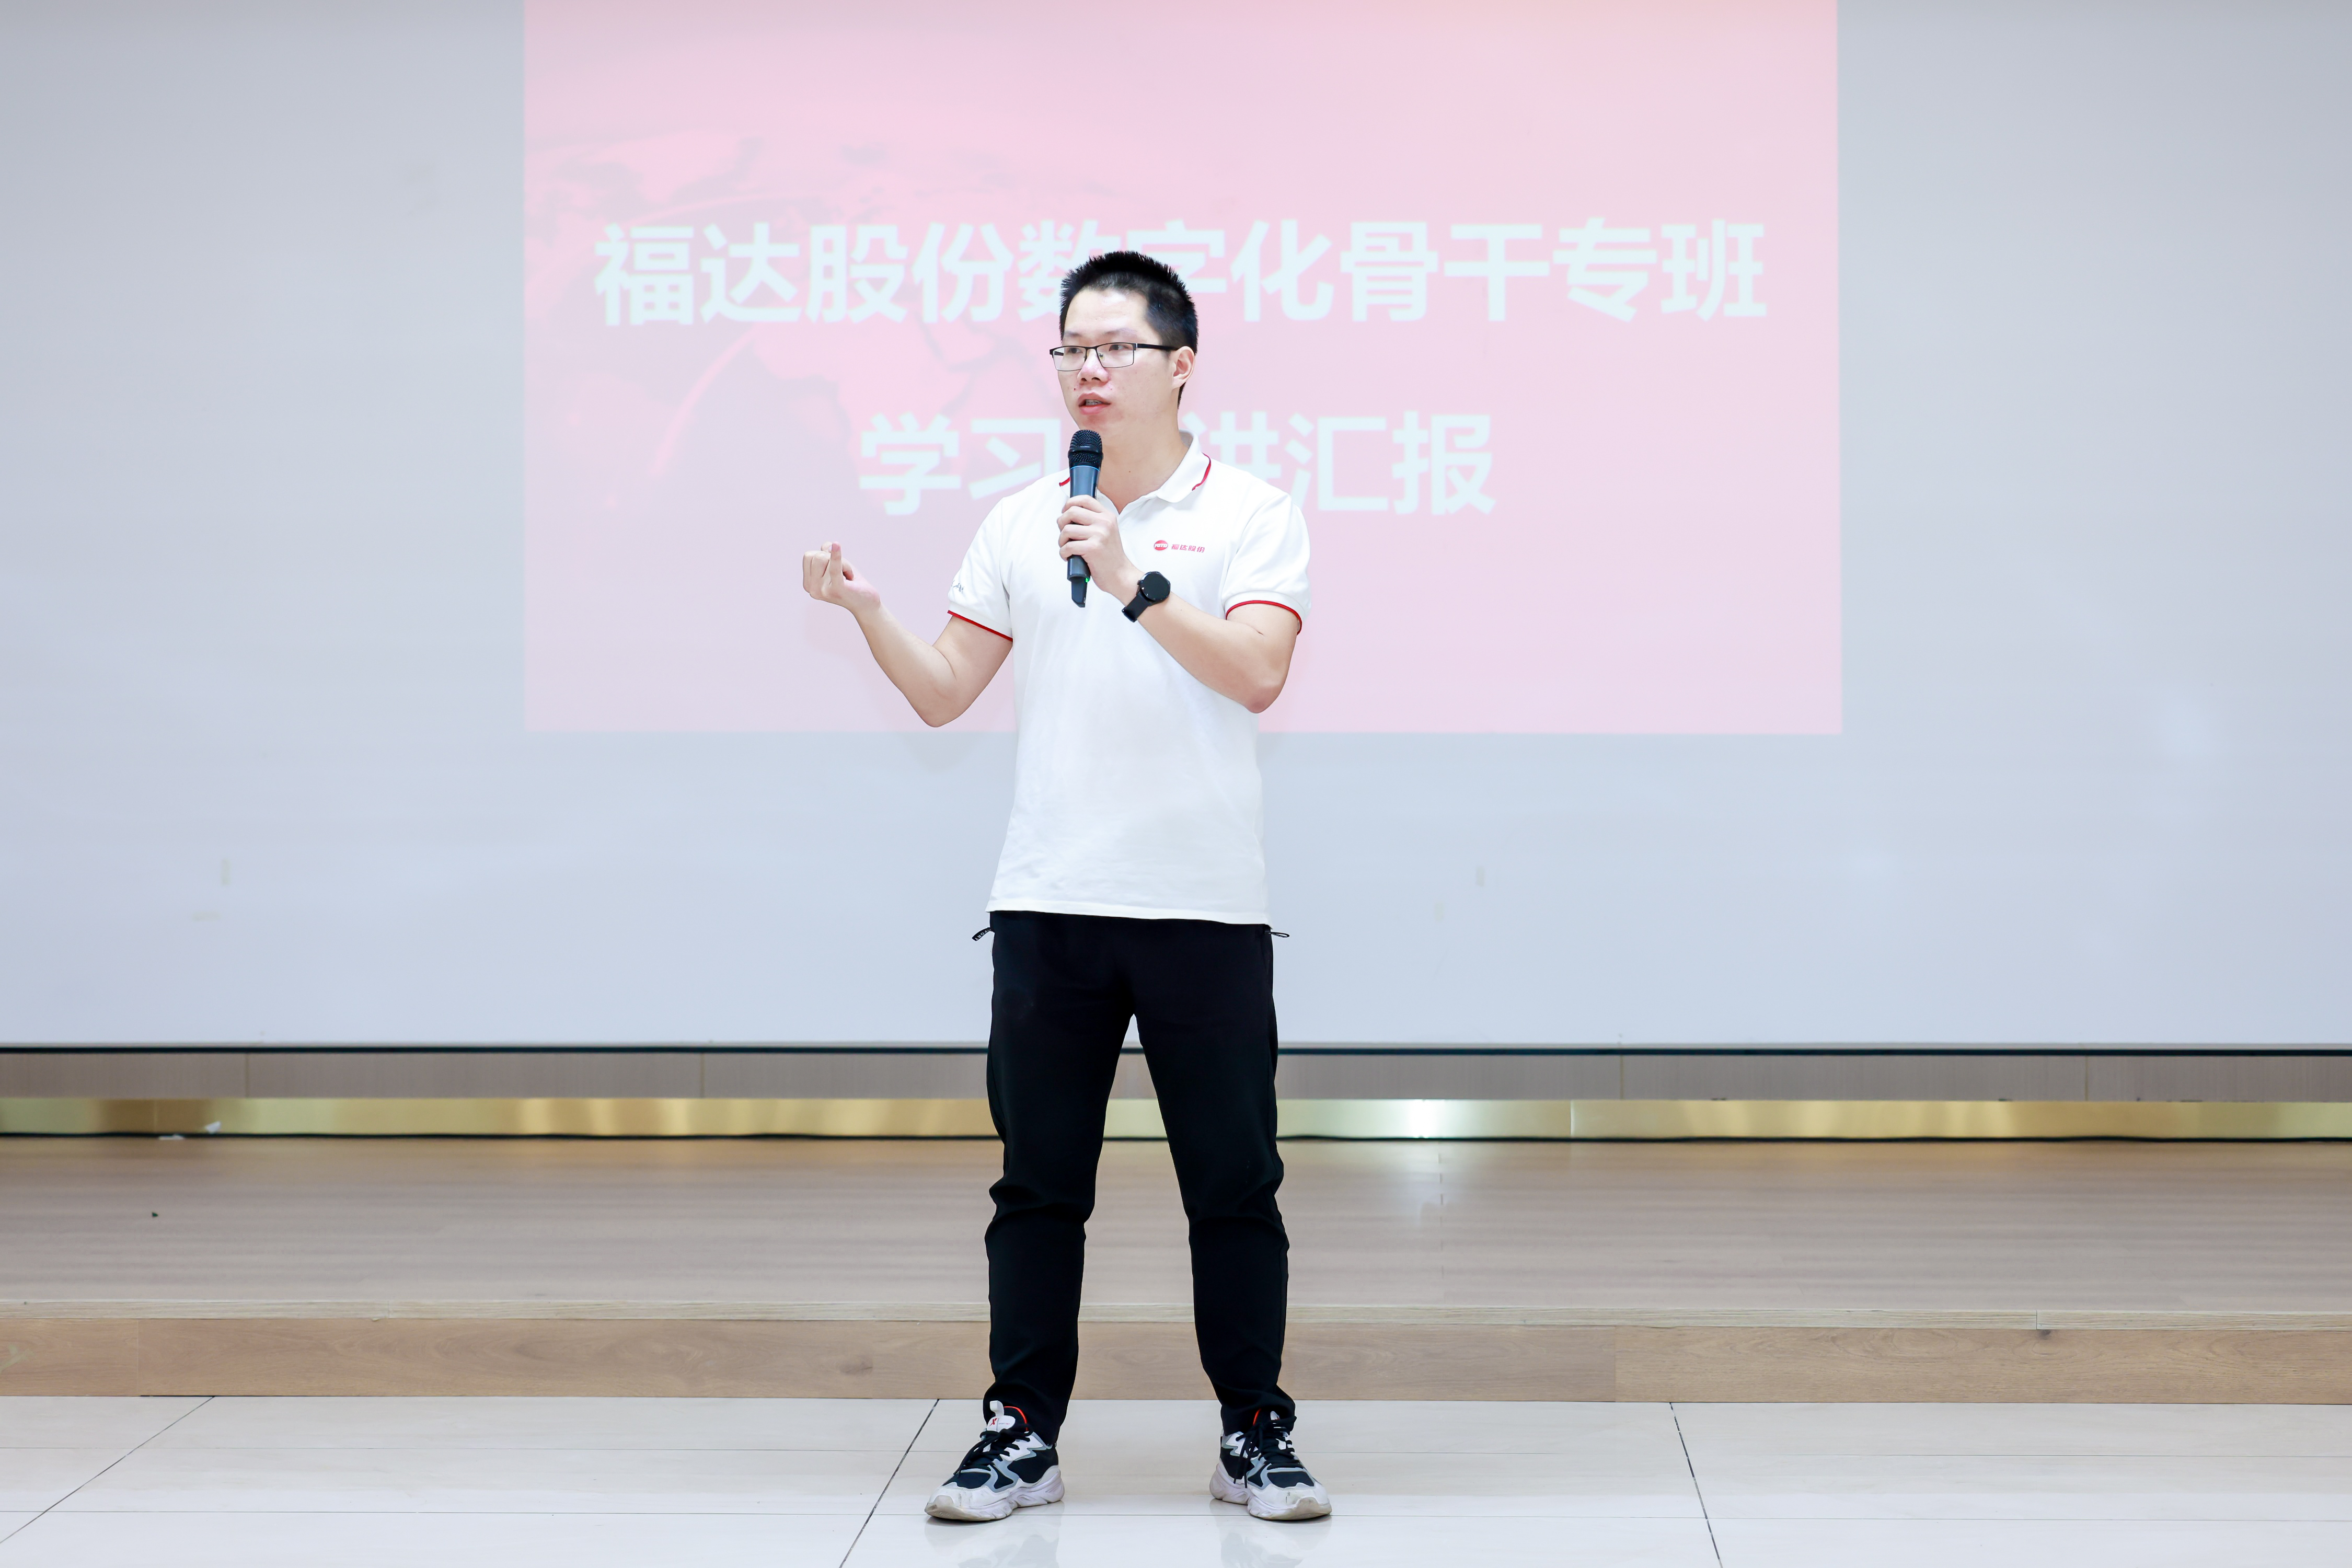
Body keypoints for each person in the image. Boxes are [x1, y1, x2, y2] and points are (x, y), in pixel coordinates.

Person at [800, 251, 1328, 1524]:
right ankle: (1020, 1437)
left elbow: (1257, 673)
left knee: (1234, 1185)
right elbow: (945, 693)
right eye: (1072, 350)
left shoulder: (1252, 511)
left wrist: (1135, 577)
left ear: (1181, 365)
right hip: (1051, 901)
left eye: (1116, 349)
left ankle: (1255, 1434)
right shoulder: (1020, 521)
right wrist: (869, 614)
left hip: (1203, 904)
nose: (1089, 370)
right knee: (1038, 1188)